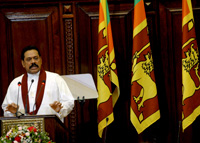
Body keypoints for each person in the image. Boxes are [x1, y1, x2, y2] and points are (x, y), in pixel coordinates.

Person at [2, 45, 74, 122]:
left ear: (41, 60)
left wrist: (60, 110)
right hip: (23, 129)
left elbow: (69, 101)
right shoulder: (16, 83)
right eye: (29, 59)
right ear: (23, 63)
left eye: (35, 58)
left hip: (50, 127)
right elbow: (6, 107)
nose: (33, 62)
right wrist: (12, 112)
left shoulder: (55, 79)